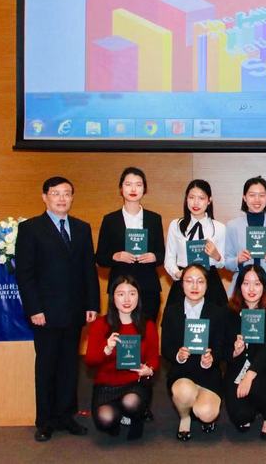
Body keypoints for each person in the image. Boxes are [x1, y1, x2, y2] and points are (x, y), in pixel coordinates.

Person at [16, 176, 100, 442]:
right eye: (55, 193)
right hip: (45, 313)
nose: (62, 198)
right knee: (47, 366)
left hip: (74, 311)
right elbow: (25, 274)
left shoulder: (82, 228)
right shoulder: (30, 228)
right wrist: (34, 309)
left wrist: (92, 303)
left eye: (66, 193)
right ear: (44, 197)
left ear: (72, 197)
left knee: (69, 366)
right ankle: (45, 421)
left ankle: (66, 416)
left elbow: (88, 270)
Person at [84, 276, 159, 441]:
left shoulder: (147, 325)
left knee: (131, 402)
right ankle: (120, 416)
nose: (127, 299)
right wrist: (107, 348)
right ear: (113, 297)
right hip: (107, 385)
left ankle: (136, 418)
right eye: (121, 294)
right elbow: (90, 361)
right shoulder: (100, 324)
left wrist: (149, 370)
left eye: (132, 293)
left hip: (135, 383)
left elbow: (154, 358)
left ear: (138, 296)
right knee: (106, 419)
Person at [161, 264, 225, 441]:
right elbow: (165, 348)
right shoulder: (172, 311)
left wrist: (211, 358)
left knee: (206, 413)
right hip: (182, 374)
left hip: (208, 374)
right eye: (189, 281)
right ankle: (185, 417)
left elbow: (221, 347)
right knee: (183, 392)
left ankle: (201, 407)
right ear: (181, 284)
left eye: (200, 281)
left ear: (207, 285)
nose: (194, 286)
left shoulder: (218, 312)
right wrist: (178, 355)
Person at [96, 167, 165, 322]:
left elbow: (162, 254)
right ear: (121, 189)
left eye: (138, 185)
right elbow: (100, 258)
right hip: (120, 288)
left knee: (147, 332)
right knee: (121, 332)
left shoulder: (154, 219)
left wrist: (154, 256)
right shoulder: (110, 220)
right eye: (128, 184)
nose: (133, 189)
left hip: (148, 287)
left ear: (144, 189)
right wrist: (116, 256)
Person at [223, 265, 266, 438]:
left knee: (257, 386)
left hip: (265, 367)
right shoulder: (229, 311)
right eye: (246, 283)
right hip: (237, 367)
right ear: (239, 286)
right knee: (240, 417)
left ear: (264, 286)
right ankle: (253, 408)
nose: (251, 289)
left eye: (257, 284)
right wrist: (235, 351)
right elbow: (222, 348)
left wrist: (249, 376)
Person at [225, 176, 266, 301]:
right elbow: (227, 262)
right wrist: (238, 259)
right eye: (252, 195)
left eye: (261, 195)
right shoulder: (232, 226)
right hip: (242, 289)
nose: (257, 199)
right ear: (244, 198)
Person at [165, 179, 228, 308]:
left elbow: (223, 263)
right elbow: (169, 258)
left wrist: (216, 255)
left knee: (214, 319)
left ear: (209, 200)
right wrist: (178, 274)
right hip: (183, 280)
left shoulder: (219, 227)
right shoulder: (175, 225)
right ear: (186, 199)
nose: (196, 202)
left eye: (201, 198)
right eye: (191, 197)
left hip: (210, 281)